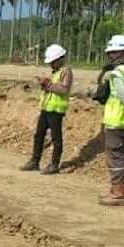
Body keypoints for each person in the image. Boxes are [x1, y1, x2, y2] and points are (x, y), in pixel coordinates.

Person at [93, 34, 124, 206]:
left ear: (121, 53)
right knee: (118, 156)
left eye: (112, 53)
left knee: (115, 157)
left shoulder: (118, 73)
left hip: (117, 121)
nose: (110, 57)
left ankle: (118, 194)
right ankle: (116, 190)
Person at [21, 44, 73, 175]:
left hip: (56, 111)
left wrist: (48, 85)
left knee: (56, 138)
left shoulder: (66, 71)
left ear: (60, 59)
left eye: (53, 62)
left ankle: (54, 164)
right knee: (39, 135)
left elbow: (64, 89)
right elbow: (51, 89)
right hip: (46, 108)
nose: (51, 65)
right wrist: (44, 85)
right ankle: (35, 161)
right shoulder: (54, 72)